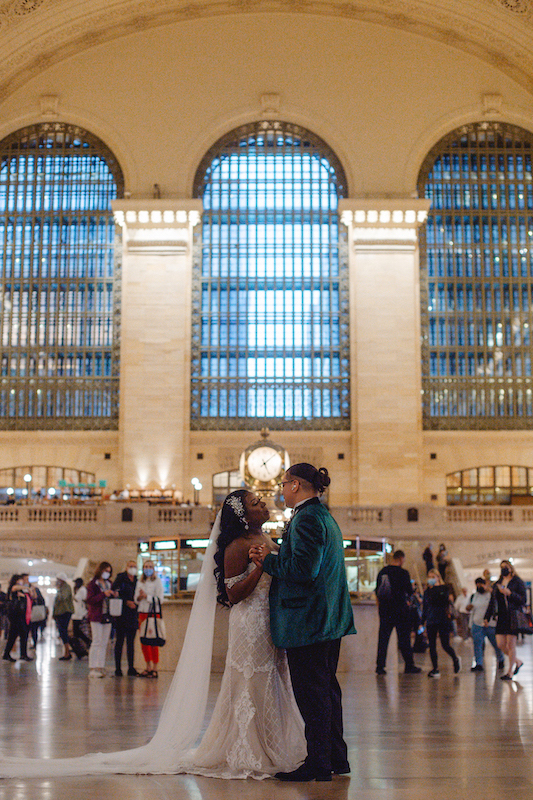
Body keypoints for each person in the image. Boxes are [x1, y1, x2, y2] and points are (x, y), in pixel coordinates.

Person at [0, 490, 306, 777]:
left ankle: (272, 741)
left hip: (268, 622)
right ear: (241, 515)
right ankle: (246, 749)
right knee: (249, 682)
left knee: (272, 681)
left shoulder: (264, 536)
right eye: (255, 504)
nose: (264, 505)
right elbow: (233, 594)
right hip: (248, 624)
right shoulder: (237, 546)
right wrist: (258, 568)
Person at [250, 463, 356, 782]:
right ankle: (336, 758)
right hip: (327, 619)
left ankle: (318, 763)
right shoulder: (321, 516)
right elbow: (309, 560)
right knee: (326, 691)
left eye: (283, 484)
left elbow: (303, 570)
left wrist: (266, 561)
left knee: (312, 695)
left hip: (309, 622)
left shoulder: (307, 518)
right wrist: (279, 552)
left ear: (295, 485)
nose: (281, 490)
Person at [375, 550, 421, 676]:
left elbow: (377, 592)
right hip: (400, 611)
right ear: (401, 559)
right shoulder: (403, 573)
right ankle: (409, 665)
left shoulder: (382, 572)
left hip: (385, 611)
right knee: (404, 639)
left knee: (383, 639)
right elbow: (409, 592)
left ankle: (380, 666)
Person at [484, 559, 527, 681]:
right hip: (501, 616)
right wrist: (486, 617)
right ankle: (517, 661)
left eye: (506, 567)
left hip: (513, 616)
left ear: (511, 568)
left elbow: (523, 600)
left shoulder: (517, 582)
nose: (504, 569)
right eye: (501, 567)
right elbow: (493, 602)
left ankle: (510, 672)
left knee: (511, 644)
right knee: (500, 644)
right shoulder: (498, 583)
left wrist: (510, 593)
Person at [422, 569, 461, 677]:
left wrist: (433, 589)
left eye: (433, 577)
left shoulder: (444, 589)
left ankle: (455, 659)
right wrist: (422, 622)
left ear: (438, 577)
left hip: (442, 619)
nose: (431, 579)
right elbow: (425, 607)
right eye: (429, 577)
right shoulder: (427, 592)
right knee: (432, 646)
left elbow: (442, 601)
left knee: (445, 644)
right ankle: (435, 668)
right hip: (431, 620)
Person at [86, 562, 117, 678]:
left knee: (104, 642)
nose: (107, 573)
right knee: (97, 641)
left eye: (109, 571)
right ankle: (93, 667)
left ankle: (100, 666)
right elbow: (90, 600)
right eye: (105, 571)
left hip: (107, 615)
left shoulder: (110, 583)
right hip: (96, 616)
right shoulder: (93, 584)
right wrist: (103, 594)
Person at [134, 559, 164, 678]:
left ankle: (155, 668)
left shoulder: (157, 581)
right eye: (145, 566)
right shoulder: (140, 582)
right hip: (142, 613)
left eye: (150, 566)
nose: (147, 568)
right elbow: (135, 598)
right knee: (144, 641)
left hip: (153, 613)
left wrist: (147, 596)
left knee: (153, 641)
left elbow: (159, 599)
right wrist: (140, 597)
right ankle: (148, 666)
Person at [467, 577, 504, 672]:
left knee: (495, 643)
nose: (479, 587)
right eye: (477, 585)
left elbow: (494, 606)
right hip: (477, 623)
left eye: (481, 584)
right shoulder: (474, 596)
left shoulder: (491, 595)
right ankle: (479, 663)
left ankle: (500, 659)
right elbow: (468, 608)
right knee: (477, 644)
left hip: (490, 624)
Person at [112, 560, 139, 676]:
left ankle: (131, 667)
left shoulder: (137, 581)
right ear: (126, 567)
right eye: (130, 566)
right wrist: (126, 602)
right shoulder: (120, 579)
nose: (132, 568)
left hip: (133, 614)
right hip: (122, 615)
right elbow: (115, 594)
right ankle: (118, 668)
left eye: (134, 566)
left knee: (131, 643)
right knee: (120, 641)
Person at [2, 573, 33, 662]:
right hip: (16, 615)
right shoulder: (14, 588)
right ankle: (23, 654)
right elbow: (14, 588)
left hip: (18, 615)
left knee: (13, 635)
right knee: (23, 634)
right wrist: (26, 587)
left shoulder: (20, 590)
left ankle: (7, 654)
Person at [53, 573, 74, 660]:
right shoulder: (61, 588)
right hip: (60, 613)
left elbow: (63, 598)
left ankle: (67, 652)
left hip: (65, 612)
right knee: (62, 632)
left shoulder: (66, 587)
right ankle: (66, 651)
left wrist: (58, 590)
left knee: (63, 631)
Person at [70, 578, 91, 658]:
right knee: (76, 632)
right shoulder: (80, 590)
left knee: (77, 631)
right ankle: (80, 648)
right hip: (77, 614)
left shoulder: (82, 590)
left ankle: (87, 642)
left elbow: (79, 599)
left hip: (80, 614)